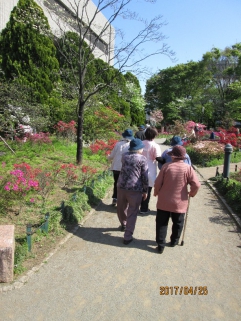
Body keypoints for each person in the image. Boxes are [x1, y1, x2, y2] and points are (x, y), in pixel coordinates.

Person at [154, 145, 201, 253]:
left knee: (161, 222)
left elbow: (157, 183)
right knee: (178, 223)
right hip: (180, 202)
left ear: (173, 156)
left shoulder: (166, 166)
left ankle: (160, 244)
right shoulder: (188, 168)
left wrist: (156, 192)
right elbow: (196, 185)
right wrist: (191, 193)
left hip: (164, 201)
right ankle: (174, 241)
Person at [117, 138, 149, 244]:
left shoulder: (124, 156)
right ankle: (127, 236)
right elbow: (145, 176)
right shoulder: (142, 159)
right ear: (139, 149)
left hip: (121, 186)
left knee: (121, 207)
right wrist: (145, 190)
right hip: (135, 188)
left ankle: (124, 223)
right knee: (132, 211)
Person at [108, 129, 134, 206]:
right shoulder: (132, 145)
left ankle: (115, 198)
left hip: (116, 167)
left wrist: (108, 157)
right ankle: (124, 201)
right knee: (126, 184)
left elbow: (112, 156)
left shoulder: (118, 144)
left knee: (116, 183)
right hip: (126, 168)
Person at [140, 127, 162, 214]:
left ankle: (136, 206)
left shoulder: (141, 143)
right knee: (147, 189)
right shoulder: (155, 145)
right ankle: (144, 208)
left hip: (139, 166)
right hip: (150, 168)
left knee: (139, 188)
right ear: (154, 135)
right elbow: (158, 157)